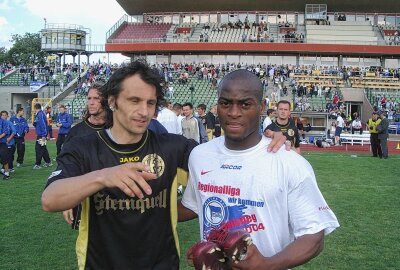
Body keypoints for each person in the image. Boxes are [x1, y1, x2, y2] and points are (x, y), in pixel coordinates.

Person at [42, 62, 288, 269]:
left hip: (162, 264)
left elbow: (221, 168)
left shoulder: (173, 148)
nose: (143, 111)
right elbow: (50, 199)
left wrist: (264, 138)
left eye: (150, 103)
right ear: (112, 101)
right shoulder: (83, 147)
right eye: (134, 100)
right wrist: (104, 177)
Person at [178, 69, 339, 270]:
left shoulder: (289, 162)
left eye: (245, 104)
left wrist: (266, 265)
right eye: (225, 103)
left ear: (262, 107)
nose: (234, 113)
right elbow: (193, 205)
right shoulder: (200, 156)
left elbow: (314, 236)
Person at [62, 82, 108, 230]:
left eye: (96, 98)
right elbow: (67, 167)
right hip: (85, 199)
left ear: (107, 100)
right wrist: (67, 199)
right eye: (89, 98)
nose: (91, 102)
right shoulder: (76, 133)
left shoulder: (117, 127)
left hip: (114, 198)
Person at [33, 103, 52, 169]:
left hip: (41, 135)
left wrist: (44, 135)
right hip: (42, 134)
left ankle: (38, 164)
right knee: (43, 148)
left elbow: (43, 125)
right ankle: (48, 162)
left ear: (35, 108)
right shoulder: (40, 114)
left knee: (38, 149)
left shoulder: (40, 114)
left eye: (34, 109)